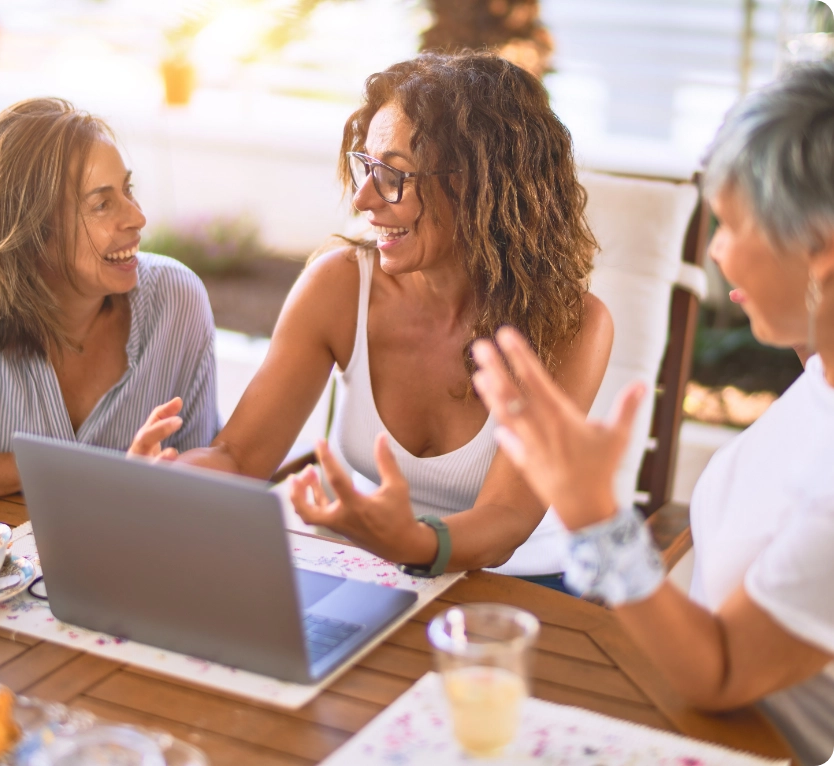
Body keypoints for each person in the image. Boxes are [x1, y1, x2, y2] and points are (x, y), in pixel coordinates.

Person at [471, 62, 834, 764]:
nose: (716, 253)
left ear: (819, 251)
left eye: (730, 225)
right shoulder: (820, 366)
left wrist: (593, 513)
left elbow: (722, 671)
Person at [130, 51, 613, 576]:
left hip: (522, 586)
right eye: (367, 167)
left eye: (393, 175)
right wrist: (174, 477)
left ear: (484, 187)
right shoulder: (339, 285)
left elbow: (504, 522)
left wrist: (407, 542)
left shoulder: (570, 325)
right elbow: (239, 458)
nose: (363, 199)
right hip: (364, 562)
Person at [0, 97, 219, 505]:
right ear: (29, 229)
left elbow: (200, 478)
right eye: (102, 204)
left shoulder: (177, 301)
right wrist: (83, 469)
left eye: (127, 190)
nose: (137, 217)